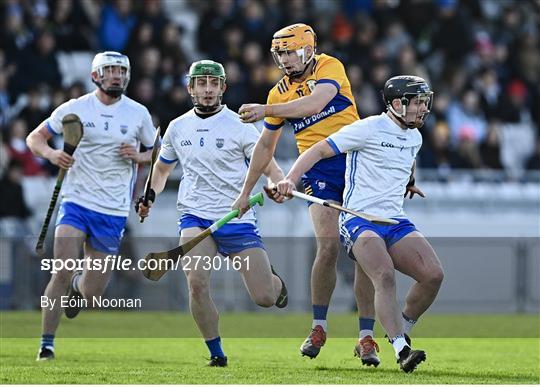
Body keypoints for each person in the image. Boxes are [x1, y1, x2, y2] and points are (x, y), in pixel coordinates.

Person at [232, 23, 379, 365]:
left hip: (355, 161)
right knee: (327, 245)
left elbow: (316, 103)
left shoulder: (331, 66)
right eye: (279, 53)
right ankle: (318, 327)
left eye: (289, 52)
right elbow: (265, 146)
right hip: (316, 167)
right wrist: (245, 192)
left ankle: (366, 336)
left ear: (308, 49)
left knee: (364, 250)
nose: (283, 60)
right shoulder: (278, 92)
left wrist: (266, 112)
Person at [276, 75, 445, 373]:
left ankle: (401, 328)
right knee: (384, 276)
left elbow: (407, 157)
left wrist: (409, 181)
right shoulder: (367, 128)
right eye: (417, 102)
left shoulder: (415, 136)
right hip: (359, 220)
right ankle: (401, 349)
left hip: (394, 220)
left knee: (433, 275)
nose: (423, 108)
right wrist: (290, 179)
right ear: (396, 104)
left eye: (424, 102)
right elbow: (317, 150)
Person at [136, 60, 288, 368]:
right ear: (190, 88)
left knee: (264, 298)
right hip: (195, 216)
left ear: (223, 88)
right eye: (201, 84)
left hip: (237, 219)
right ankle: (216, 353)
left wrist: (277, 183)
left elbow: (270, 167)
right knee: (196, 283)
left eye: (213, 84)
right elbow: (162, 169)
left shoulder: (241, 125)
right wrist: (150, 194)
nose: (208, 89)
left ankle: (276, 283)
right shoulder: (177, 127)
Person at [26, 51, 157, 360]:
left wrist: (139, 157)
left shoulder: (138, 113)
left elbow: (157, 152)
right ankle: (47, 344)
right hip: (76, 201)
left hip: (112, 210)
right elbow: (35, 138)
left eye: (121, 71)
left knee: (92, 294)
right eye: (110, 70)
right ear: (95, 76)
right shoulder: (75, 109)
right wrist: (51, 155)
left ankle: (77, 289)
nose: (117, 76)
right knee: (62, 268)